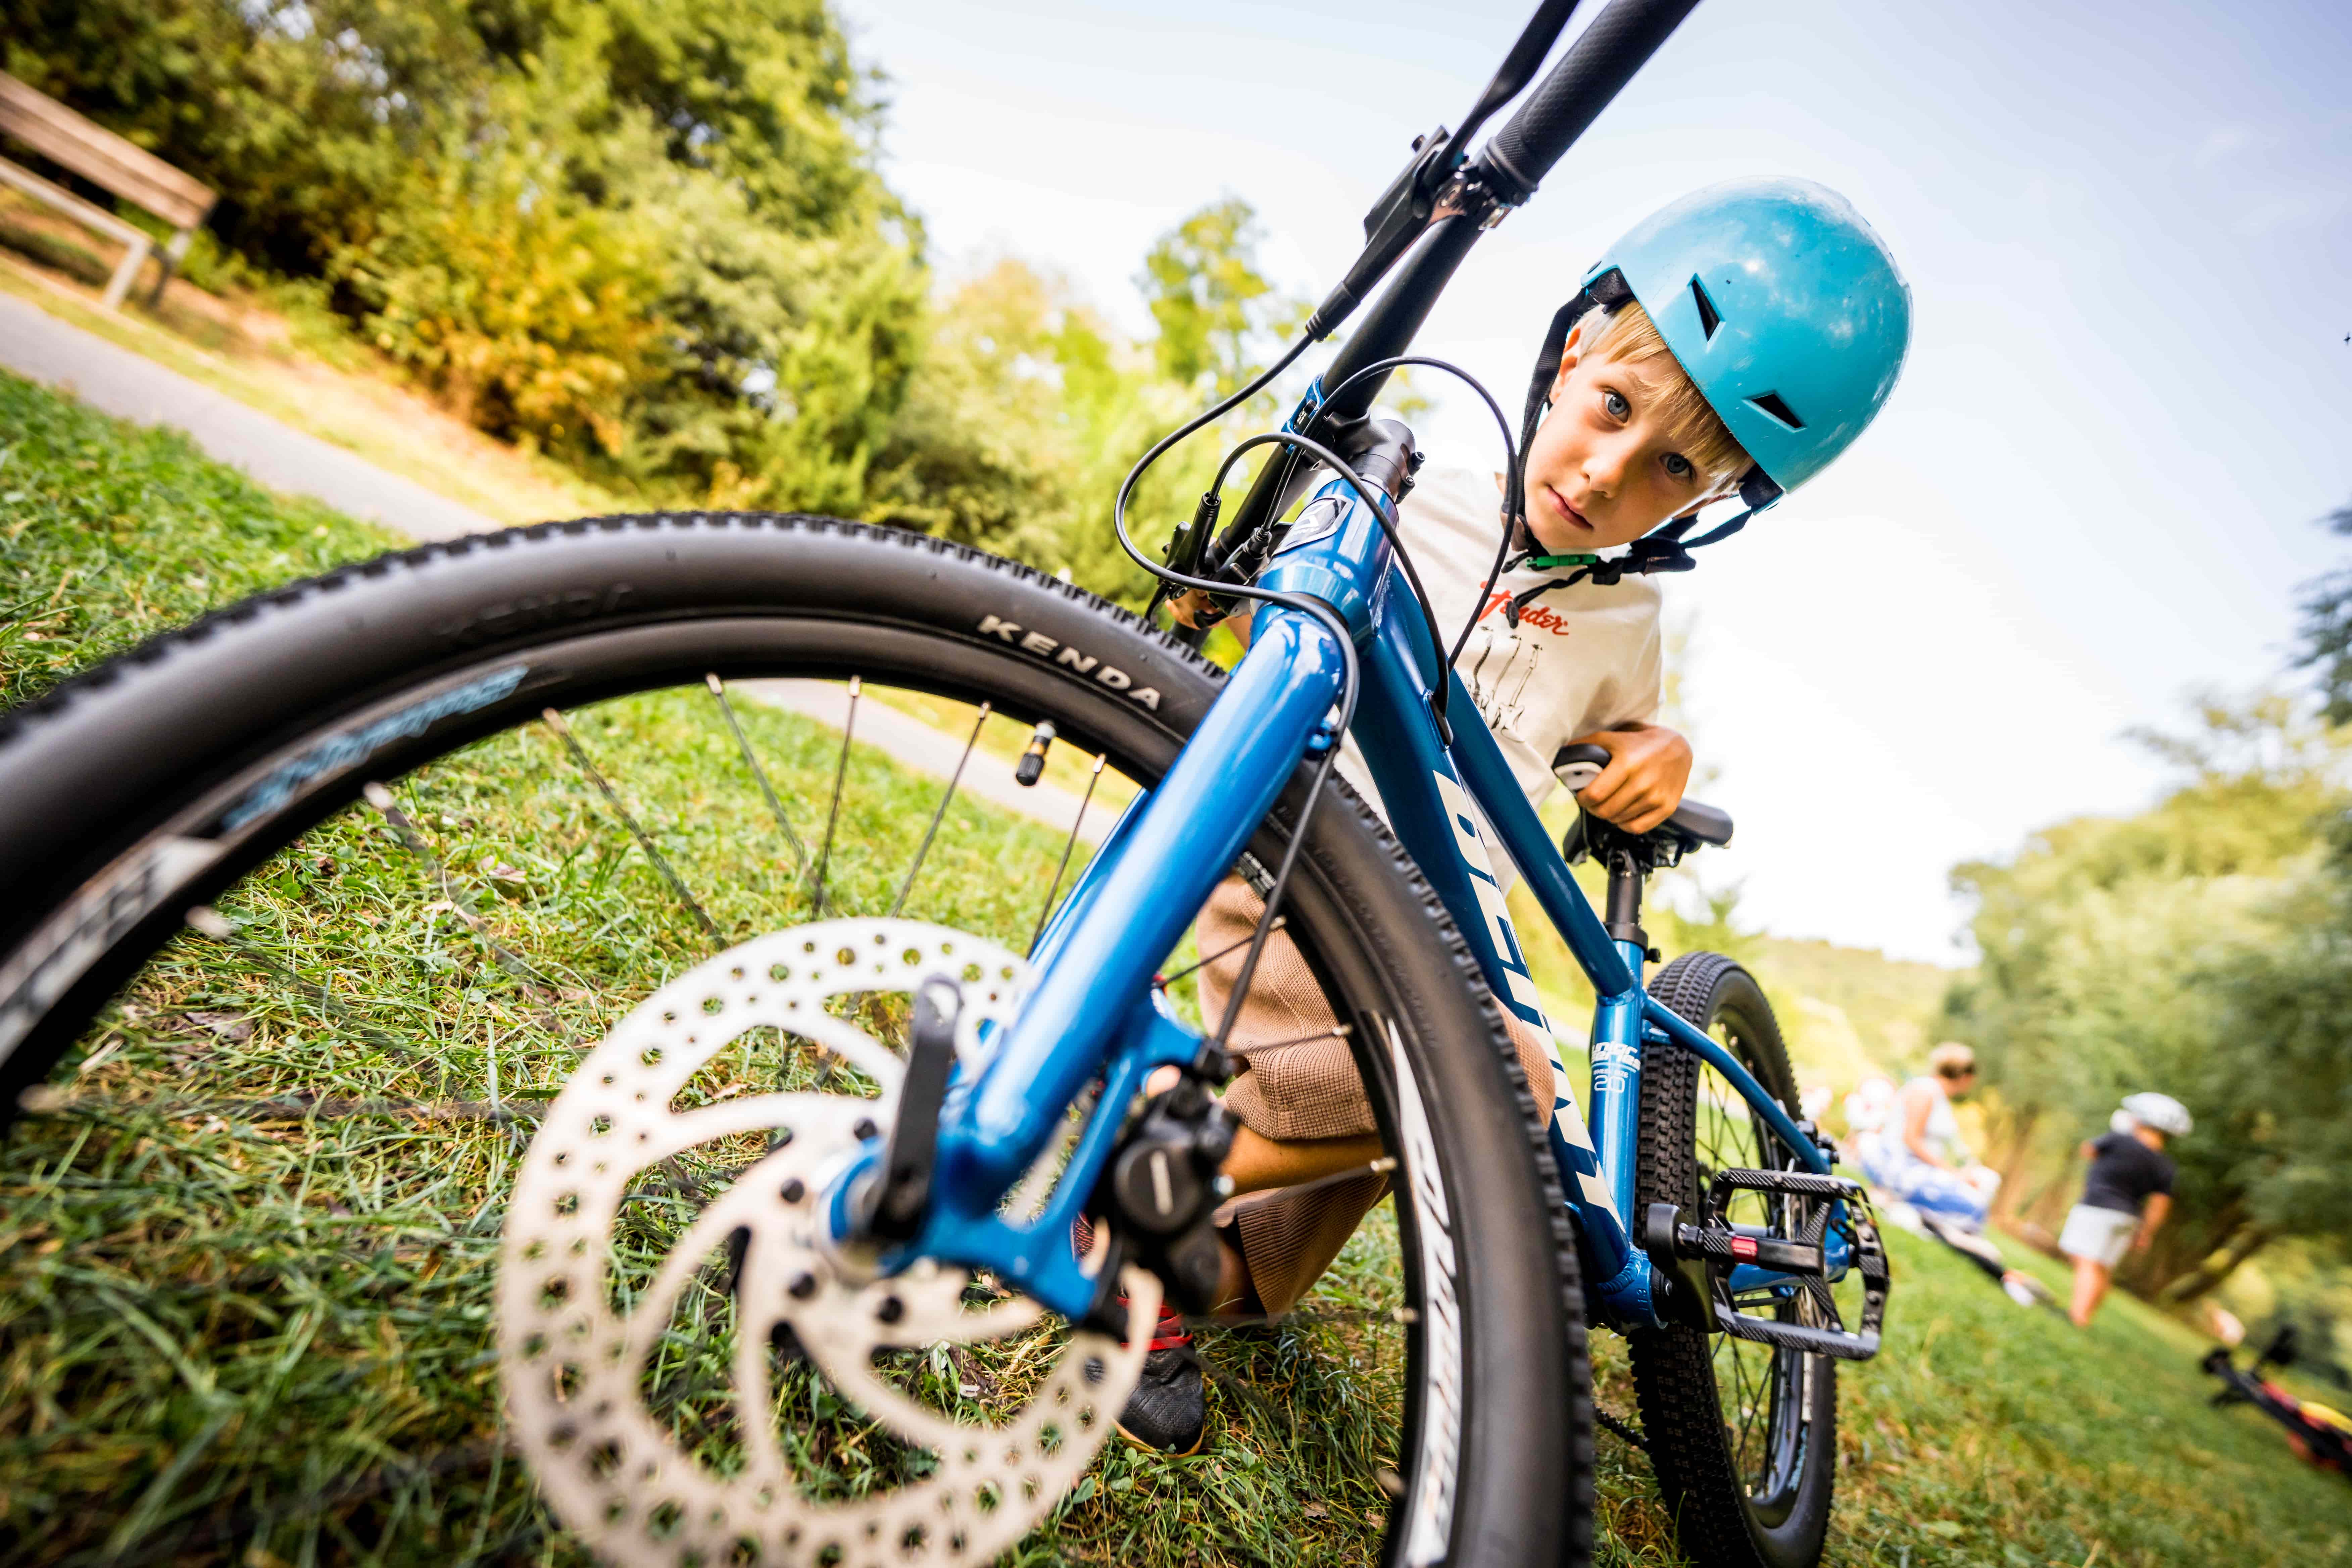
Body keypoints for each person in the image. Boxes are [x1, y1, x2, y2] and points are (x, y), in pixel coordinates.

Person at [1116, 179, 1914, 1453]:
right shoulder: (1405, 496)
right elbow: (1247, 622)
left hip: (1422, 947)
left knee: (1249, 1276)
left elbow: (1628, 739)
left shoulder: (1628, 624)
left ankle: (1160, 1215)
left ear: (1707, 501)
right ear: (1571, 353)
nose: (1606, 474)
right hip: (1287, 886)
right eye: (1613, 409)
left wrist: (1662, 748)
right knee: (1511, 1071)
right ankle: (1143, 1176)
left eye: (1672, 469)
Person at [2061, 1091, 2188, 1328]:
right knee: (2103, 1268)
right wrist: (2146, 1233)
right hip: (2129, 1217)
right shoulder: (2165, 1166)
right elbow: (2159, 1204)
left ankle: (2076, 1317)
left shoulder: (2119, 1140)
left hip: (2099, 1207)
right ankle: (2086, 1316)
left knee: (2087, 1262)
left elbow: (2088, 1150)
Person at [1855, 1043, 2001, 1232]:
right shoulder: (1925, 1091)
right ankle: (1899, 1207)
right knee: (1974, 1209)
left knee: (1983, 1188)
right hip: (1899, 1167)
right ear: (1966, 1078)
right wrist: (1954, 1173)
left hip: (1916, 1168)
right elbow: (1911, 1140)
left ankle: (1907, 1210)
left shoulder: (1938, 1096)